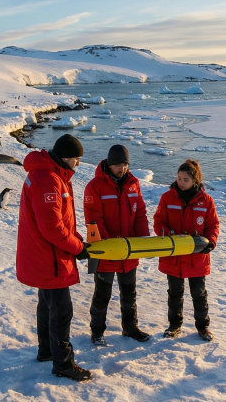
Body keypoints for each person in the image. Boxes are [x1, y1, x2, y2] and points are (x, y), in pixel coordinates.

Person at [16, 134, 92, 381]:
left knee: (47, 305)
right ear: (66, 157)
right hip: (49, 258)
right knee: (61, 310)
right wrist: (77, 248)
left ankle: (46, 351)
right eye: (77, 159)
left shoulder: (50, 174)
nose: (78, 164)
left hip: (44, 255)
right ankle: (63, 364)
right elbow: (52, 229)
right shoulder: (48, 179)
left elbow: (61, 222)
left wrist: (78, 240)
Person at [83, 145, 151, 345]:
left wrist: (143, 240)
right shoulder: (95, 186)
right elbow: (93, 219)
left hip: (129, 252)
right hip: (106, 252)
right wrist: (111, 247)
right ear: (109, 164)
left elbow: (139, 214)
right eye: (117, 165)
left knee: (129, 293)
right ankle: (97, 331)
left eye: (124, 165)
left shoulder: (133, 183)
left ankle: (130, 327)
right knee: (102, 295)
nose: (121, 169)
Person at [153, 160, 220, 341]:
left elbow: (212, 225)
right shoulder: (168, 197)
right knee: (175, 293)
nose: (181, 182)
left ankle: (203, 327)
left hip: (196, 257)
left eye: (186, 179)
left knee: (199, 293)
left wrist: (211, 242)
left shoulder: (206, 201)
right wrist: (168, 235)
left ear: (195, 181)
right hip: (173, 256)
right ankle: (174, 326)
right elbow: (159, 222)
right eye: (179, 178)